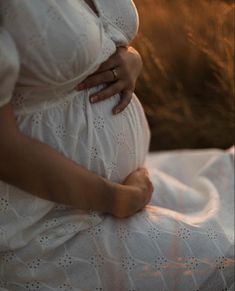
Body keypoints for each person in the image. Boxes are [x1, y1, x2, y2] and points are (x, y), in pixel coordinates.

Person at [0, 1, 234, 290]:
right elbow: (4, 149)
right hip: (42, 222)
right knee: (222, 259)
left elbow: (101, 37)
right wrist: (114, 198)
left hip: (126, 188)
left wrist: (131, 59)